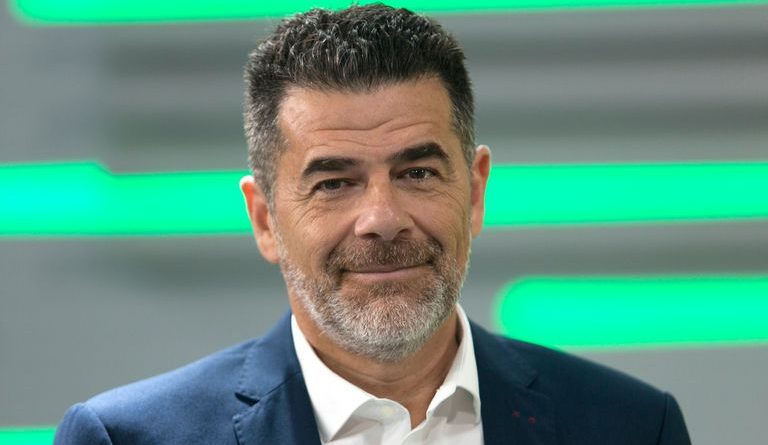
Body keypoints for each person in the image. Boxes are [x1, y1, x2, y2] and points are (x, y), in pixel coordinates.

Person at [54, 4, 691, 444]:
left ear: (474, 192)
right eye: (334, 182)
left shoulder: (631, 428)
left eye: (417, 172)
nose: (382, 220)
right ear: (265, 219)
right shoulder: (128, 440)